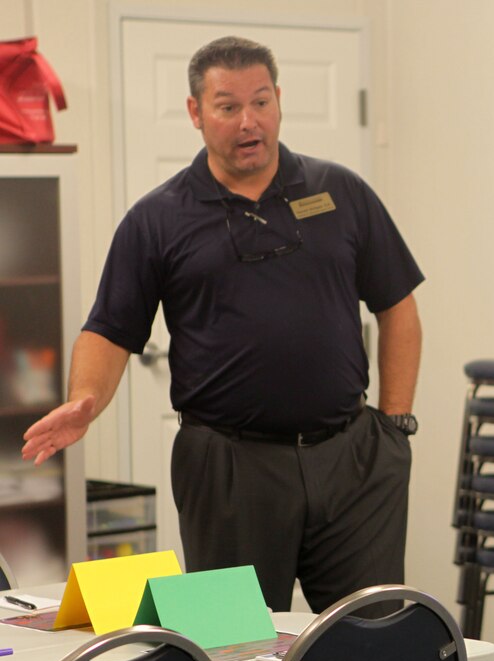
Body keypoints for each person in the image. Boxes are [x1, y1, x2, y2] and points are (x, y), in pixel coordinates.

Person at [21, 35, 423, 616]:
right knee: (234, 643)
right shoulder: (157, 219)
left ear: (280, 101)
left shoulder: (340, 193)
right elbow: (109, 330)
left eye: (260, 102)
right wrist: (86, 399)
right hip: (229, 469)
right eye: (227, 106)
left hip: (353, 461)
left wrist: (393, 428)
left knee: (374, 637)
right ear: (195, 112)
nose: (248, 121)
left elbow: (398, 308)